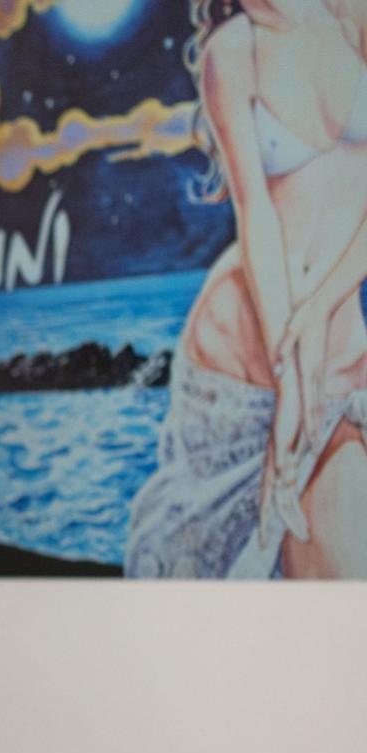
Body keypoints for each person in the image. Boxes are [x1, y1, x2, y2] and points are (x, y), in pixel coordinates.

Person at [126, 0, 367, 577]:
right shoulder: (232, 51)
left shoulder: (353, 14)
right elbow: (253, 211)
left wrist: (318, 311)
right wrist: (291, 374)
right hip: (243, 357)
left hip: (335, 351)